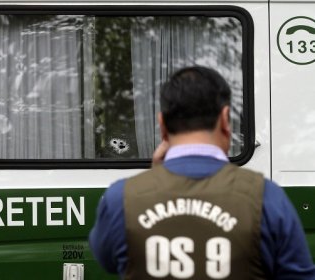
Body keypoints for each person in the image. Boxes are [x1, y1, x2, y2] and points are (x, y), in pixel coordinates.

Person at [89, 66, 315, 279]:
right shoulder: (266, 197)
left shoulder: (121, 199)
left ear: (162, 125)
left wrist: (156, 177)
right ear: (226, 120)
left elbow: (107, 259)